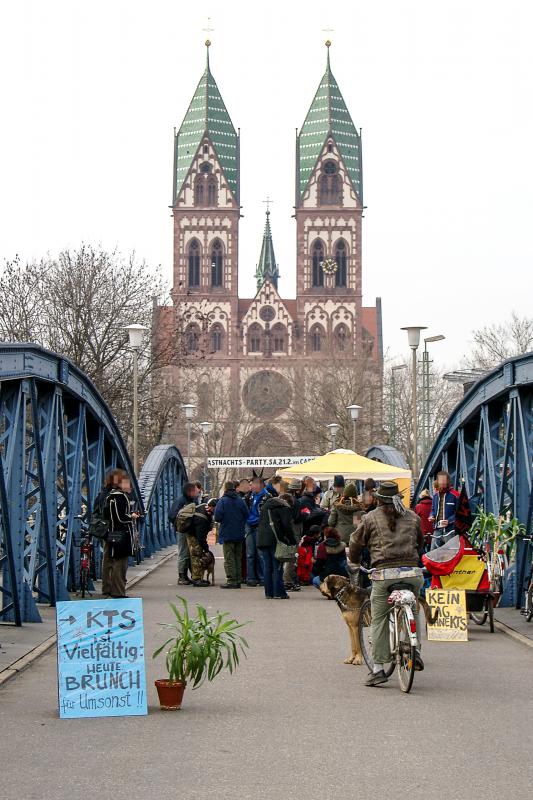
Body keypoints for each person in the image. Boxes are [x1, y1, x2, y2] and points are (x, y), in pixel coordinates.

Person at [348, 481, 424, 687]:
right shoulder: (413, 517)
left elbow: (355, 542)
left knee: (379, 617)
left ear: (378, 499)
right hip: (412, 572)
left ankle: (379, 669)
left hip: (384, 574)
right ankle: (414, 649)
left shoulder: (369, 518)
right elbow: (421, 542)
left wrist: (354, 561)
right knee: (413, 605)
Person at [102, 469, 140, 598]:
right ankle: (118, 591)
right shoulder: (120, 496)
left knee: (110, 560)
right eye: (126, 482)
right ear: (119, 483)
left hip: (111, 532)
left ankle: (107, 588)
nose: (129, 485)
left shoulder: (109, 495)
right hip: (121, 533)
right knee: (120, 562)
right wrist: (132, 516)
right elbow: (121, 517)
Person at [257, 492, 296, 599]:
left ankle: (268, 592)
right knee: (277, 566)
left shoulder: (265, 506)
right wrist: (292, 541)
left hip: (262, 539)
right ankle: (279, 592)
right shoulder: (283, 507)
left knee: (267, 567)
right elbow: (287, 526)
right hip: (276, 540)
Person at [214, 481, 249, 588]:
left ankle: (231, 580)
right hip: (239, 533)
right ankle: (238, 579)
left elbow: (217, 517)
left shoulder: (222, 501)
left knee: (229, 558)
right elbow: (247, 514)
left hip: (227, 533)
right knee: (237, 557)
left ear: (225, 489)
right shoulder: (240, 500)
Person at [169, 481, 200, 585]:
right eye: (195, 491)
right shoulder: (181, 501)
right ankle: (182, 576)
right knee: (183, 553)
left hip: (190, 530)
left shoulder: (192, 500)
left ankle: (187, 576)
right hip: (182, 530)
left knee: (190, 553)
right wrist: (180, 524)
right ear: (190, 491)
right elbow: (172, 515)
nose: (197, 492)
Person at [187, 498, 217, 587]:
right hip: (193, 535)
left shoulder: (205, 508)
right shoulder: (202, 518)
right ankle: (196, 579)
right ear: (212, 507)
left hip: (193, 533)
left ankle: (198, 577)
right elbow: (201, 537)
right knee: (196, 555)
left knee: (197, 555)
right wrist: (206, 548)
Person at [245, 476, 268, 586]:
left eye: (253, 483)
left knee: (260, 553)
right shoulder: (249, 496)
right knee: (250, 553)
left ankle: (263, 578)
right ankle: (251, 578)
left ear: (260, 484)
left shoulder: (267, 496)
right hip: (249, 525)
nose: (252, 485)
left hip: (260, 525)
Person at [428, 471, 460, 548]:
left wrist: (449, 521)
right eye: (440, 480)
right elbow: (433, 509)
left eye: (444, 480)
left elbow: (460, 513)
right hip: (437, 528)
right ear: (437, 481)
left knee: (451, 553)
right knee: (433, 552)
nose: (442, 482)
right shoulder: (435, 495)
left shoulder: (455, 495)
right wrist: (431, 516)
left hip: (450, 530)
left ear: (448, 481)